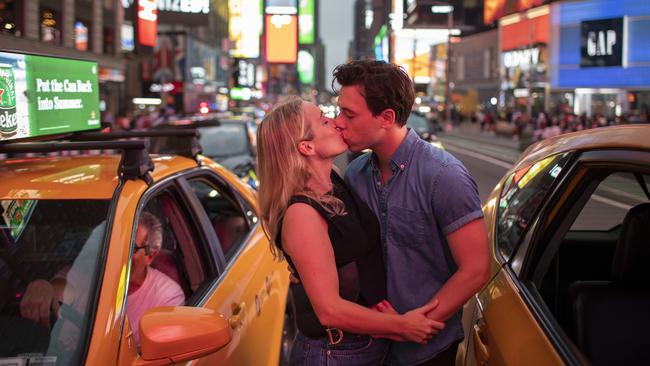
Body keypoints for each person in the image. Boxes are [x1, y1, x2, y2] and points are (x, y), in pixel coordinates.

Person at [256, 96, 444, 365]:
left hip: (363, 344)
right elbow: (329, 311)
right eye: (324, 120)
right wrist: (402, 326)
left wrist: (372, 296)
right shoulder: (302, 213)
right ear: (306, 146)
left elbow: (352, 252)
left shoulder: (332, 179)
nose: (336, 123)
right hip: (334, 353)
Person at [332, 60, 490, 366]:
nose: (339, 121)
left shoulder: (444, 176)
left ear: (386, 118)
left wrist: (414, 324)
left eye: (348, 114)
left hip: (427, 350)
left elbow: (476, 269)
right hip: (369, 346)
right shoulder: (356, 174)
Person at [20, 212, 184, 348]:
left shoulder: (167, 296)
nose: (115, 254)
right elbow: (61, 291)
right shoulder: (84, 271)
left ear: (150, 255)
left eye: (130, 248)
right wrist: (43, 287)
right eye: (110, 245)